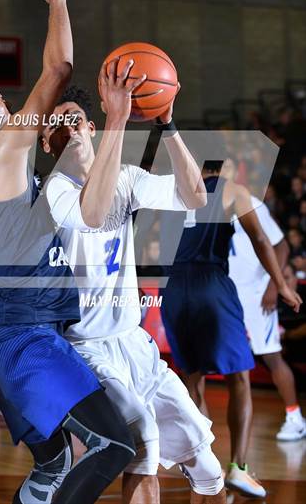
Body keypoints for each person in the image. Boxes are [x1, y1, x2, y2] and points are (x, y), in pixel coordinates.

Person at [0, 0, 136, 504]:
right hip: (21, 331)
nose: (11, 107)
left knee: (53, 469)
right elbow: (59, 70)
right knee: (111, 447)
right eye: (0, 102)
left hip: (13, 328)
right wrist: (58, 3)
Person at [41, 79, 227, 504]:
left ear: (90, 128)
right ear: (46, 145)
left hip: (135, 345)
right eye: (56, 126)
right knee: (141, 436)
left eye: (74, 120)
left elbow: (195, 196)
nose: (68, 128)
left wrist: (168, 123)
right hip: (85, 349)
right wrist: (119, 119)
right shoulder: (55, 192)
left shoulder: (127, 178)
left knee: (207, 462)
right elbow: (92, 214)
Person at [159, 157, 302, 499]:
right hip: (212, 283)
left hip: (174, 287)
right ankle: (238, 467)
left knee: (192, 380)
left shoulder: (171, 191)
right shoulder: (232, 191)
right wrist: (281, 284)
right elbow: (261, 239)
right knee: (240, 378)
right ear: (223, 170)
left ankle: (204, 463)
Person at [226, 160, 306, 442]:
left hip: (257, 294)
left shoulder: (253, 204)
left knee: (271, 356)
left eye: (226, 169)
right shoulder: (206, 207)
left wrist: (275, 284)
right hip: (228, 296)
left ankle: (295, 417)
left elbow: (280, 244)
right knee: (227, 362)